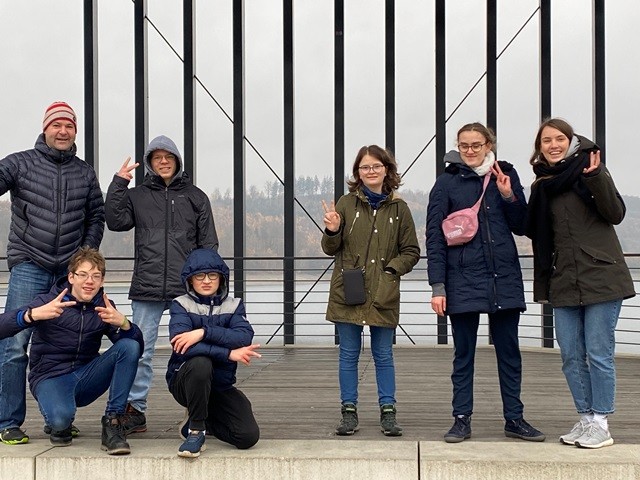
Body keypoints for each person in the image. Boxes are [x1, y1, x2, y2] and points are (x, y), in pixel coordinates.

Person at [426, 122, 545, 443]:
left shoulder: (505, 174)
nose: (469, 151)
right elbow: (434, 237)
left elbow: (522, 225)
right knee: (463, 354)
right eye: (464, 145)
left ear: (488, 143)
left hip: (503, 277)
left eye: (476, 145)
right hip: (461, 279)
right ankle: (461, 419)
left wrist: (508, 194)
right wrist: (437, 286)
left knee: (510, 352)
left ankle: (514, 419)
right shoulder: (446, 183)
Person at [0, 101, 105, 445]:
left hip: (68, 274)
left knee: (68, 341)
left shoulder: (85, 172)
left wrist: (83, 258)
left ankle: (56, 414)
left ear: (75, 131)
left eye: (69, 126)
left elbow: (96, 217)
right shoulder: (19, 163)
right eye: (56, 125)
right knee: (15, 346)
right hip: (29, 265)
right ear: (45, 128)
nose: (63, 131)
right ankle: (8, 422)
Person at [526, 118, 635, 449]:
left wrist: (596, 178)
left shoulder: (590, 170)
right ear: (539, 147)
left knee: (599, 353)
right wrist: (507, 196)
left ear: (572, 142)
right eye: (547, 140)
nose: (554, 144)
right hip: (564, 280)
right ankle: (586, 419)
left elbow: (615, 213)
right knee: (571, 355)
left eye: (560, 138)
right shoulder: (543, 184)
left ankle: (601, 422)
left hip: (602, 275)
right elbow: (531, 228)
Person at [105, 135, 218, 434]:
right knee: (141, 351)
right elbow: (115, 222)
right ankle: (135, 410)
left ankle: (196, 411)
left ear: (178, 161)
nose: (163, 161)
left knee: (194, 350)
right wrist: (119, 183)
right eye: (157, 157)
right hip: (147, 285)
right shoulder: (138, 195)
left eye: (169, 156)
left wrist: (206, 284)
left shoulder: (196, 197)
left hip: (187, 290)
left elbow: (208, 245)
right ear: (151, 164)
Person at [0, 248, 143, 454]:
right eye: (83, 275)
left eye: (96, 276)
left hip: (86, 377)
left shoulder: (104, 306)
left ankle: (113, 422)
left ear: (102, 281)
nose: (89, 281)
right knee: (60, 422)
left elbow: (134, 352)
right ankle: (57, 419)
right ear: (71, 277)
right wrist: (31, 315)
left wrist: (125, 324)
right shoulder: (47, 301)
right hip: (50, 377)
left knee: (129, 345)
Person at [321, 145, 420, 437]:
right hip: (348, 290)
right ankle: (348, 412)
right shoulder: (345, 203)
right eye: (364, 167)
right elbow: (330, 249)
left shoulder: (399, 209)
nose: (371, 171)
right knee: (348, 354)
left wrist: (390, 271)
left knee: (383, 355)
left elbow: (412, 251)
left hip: (383, 292)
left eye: (376, 166)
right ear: (357, 173)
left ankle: (388, 412)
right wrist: (332, 229)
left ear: (387, 169)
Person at [166, 248, 260, 458]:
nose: (206, 280)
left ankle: (201, 420)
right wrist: (228, 354)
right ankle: (196, 432)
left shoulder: (234, 305)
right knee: (201, 362)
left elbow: (244, 337)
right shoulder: (180, 305)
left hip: (219, 385)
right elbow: (183, 346)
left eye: (212, 275)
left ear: (221, 278)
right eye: (200, 275)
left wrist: (202, 332)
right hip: (185, 381)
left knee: (247, 436)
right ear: (190, 280)